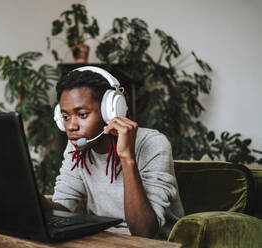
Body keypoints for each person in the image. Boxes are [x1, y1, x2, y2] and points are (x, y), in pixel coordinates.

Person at [41, 66, 184, 239]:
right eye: (65, 116)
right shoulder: (77, 148)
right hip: (103, 240)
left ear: (110, 111)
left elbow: (144, 232)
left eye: (83, 114)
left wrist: (127, 157)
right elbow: (63, 209)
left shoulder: (153, 143)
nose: (71, 126)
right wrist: (30, 194)